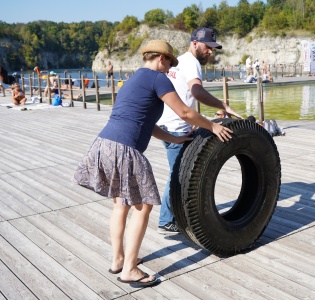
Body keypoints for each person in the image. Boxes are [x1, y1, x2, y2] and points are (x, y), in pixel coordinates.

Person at [73, 40, 233, 287]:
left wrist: (175, 139)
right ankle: (129, 269)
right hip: (125, 148)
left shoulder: (134, 79)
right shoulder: (158, 78)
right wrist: (212, 125)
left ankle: (117, 260)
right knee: (144, 206)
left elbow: (145, 123)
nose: (170, 68)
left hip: (104, 143)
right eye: (169, 62)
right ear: (161, 58)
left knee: (121, 205)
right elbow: (185, 113)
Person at [157, 27, 243, 234]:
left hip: (169, 123)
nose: (210, 52)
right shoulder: (192, 62)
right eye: (208, 47)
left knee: (183, 171)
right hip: (176, 127)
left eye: (213, 48)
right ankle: (166, 220)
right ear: (195, 43)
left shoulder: (178, 61)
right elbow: (196, 92)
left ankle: (178, 215)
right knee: (178, 174)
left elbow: (182, 95)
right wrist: (222, 106)